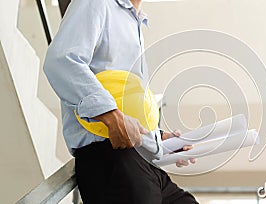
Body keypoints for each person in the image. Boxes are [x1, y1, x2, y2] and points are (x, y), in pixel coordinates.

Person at [43, 0, 198, 203]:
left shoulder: (134, 19)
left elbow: (124, 99)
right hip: (112, 160)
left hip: (143, 163)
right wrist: (110, 115)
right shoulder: (96, 3)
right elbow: (61, 61)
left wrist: (158, 139)